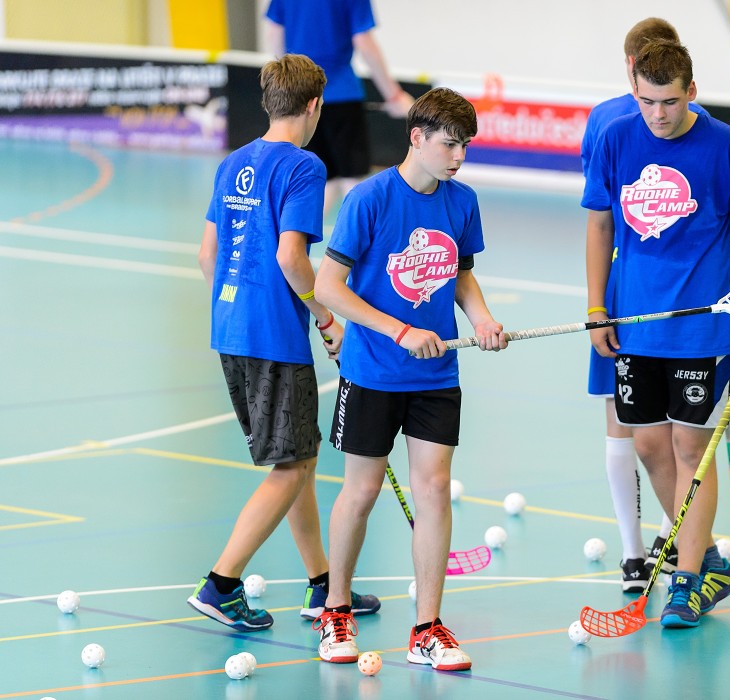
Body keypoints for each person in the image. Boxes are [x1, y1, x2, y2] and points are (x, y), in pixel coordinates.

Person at [582, 40, 730, 627]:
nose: (657, 115)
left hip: (704, 329)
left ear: (691, 92)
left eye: (669, 102)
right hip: (633, 324)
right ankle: (710, 559)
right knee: (648, 446)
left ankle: (688, 580)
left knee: (691, 449)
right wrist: (597, 306)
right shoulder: (616, 137)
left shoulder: (724, 144)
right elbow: (599, 226)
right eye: (646, 101)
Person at [312, 87, 507, 670]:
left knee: (434, 489)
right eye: (450, 144)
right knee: (362, 491)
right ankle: (335, 610)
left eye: (466, 146)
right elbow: (328, 287)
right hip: (373, 370)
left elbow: (461, 273)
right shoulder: (369, 199)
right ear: (417, 138)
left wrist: (482, 318)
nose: (459, 157)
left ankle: (427, 627)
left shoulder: (461, 201)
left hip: (436, 371)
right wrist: (399, 332)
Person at [188, 54, 380, 632]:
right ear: (315, 105)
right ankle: (221, 584)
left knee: (299, 458)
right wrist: (325, 317)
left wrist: (238, 310)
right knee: (291, 467)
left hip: (229, 331)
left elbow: (207, 256)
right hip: (273, 337)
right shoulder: (304, 166)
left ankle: (323, 584)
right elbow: (292, 257)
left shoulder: (233, 162)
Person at [580, 17, 703, 592]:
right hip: (640, 296)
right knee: (669, 432)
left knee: (624, 424)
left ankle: (635, 555)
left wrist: (596, 302)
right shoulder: (623, 125)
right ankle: (667, 538)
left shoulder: (603, 119)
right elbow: (601, 215)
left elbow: (599, 220)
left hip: (619, 289)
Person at [264, 0, 416, 216]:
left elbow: (274, 32)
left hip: (303, 96)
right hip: (342, 96)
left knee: (323, 180)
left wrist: (289, 85)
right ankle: (358, 237)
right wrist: (394, 95)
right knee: (352, 179)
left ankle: (298, 237)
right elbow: (364, 42)